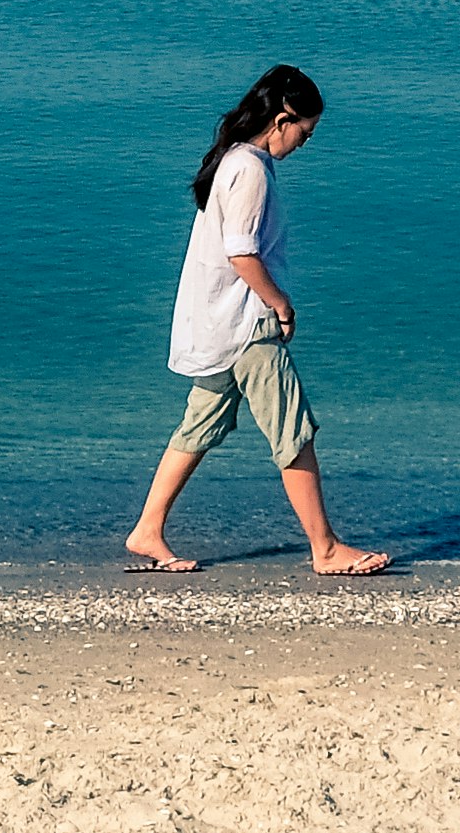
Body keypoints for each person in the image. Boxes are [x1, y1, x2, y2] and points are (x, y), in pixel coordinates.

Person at [126, 63, 392, 577]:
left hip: (220, 322)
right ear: (282, 119)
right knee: (294, 432)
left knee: (200, 425)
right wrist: (281, 304)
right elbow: (242, 253)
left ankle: (147, 529)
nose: (302, 145)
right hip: (247, 324)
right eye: (304, 133)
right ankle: (326, 548)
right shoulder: (249, 169)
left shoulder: (232, 159)